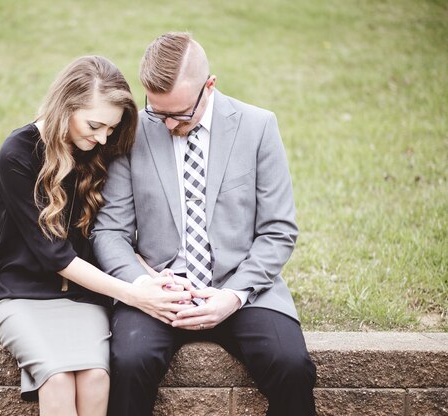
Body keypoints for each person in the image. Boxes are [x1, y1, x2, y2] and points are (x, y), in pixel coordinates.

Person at [91, 33, 317, 416]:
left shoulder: (258, 127)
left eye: (178, 115)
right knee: (127, 364)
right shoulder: (133, 130)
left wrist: (232, 296)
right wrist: (146, 286)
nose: (165, 125)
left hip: (241, 288)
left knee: (292, 367)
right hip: (157, 290)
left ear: (209, 86)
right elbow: (109, 232)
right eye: (156, 111)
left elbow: (278, 230)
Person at [0, 55, 192, 416]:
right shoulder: (17, 154)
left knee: (95, 377)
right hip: (18, 295)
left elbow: (104, 234)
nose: (103, 136)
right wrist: (134, 294)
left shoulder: (99, 151)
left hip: (84, 295)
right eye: (95, 124)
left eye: (111, 128)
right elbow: (54, 256)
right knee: (58, 378)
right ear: (67, 106)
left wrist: (152, 278)